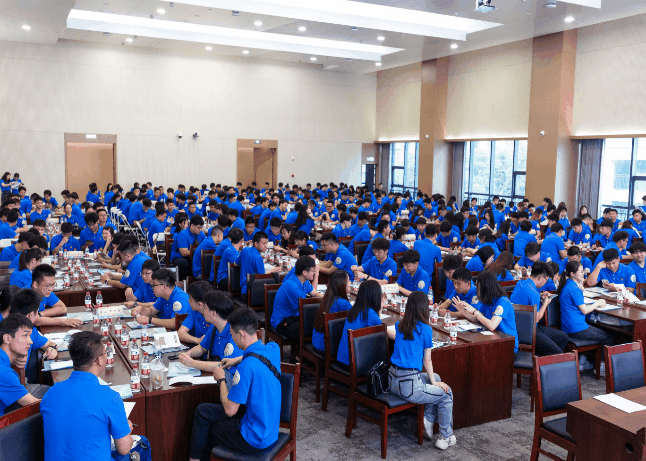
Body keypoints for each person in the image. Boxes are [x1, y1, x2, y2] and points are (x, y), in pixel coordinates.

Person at [40, 331, 151, 460]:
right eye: (105, 353)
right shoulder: (110, 397)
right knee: (143, 443)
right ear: (99, 360)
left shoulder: (51, 393)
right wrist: (126, 429)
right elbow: (124, 449)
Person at [189, 307, 282, 461]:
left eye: (232, 334)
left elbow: (230, 410)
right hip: (270, 428)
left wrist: (221, 379)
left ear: (241, 334)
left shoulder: (246, 368)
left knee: (207, 428)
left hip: (254, 438)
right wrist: (236, 359)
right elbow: (256, 354)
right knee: (203, 410)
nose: (232, 337)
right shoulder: (273, 348)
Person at [387, 292, 456, 450]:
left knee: (436, 377)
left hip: (392, 381)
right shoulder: (425, 329)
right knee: (446, 393)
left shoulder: (399, 325)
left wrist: (434, 380)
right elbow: (427, 361)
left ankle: (428, 420)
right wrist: (435, 383)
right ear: (424, 309)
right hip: (409, 386)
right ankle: (445, 437)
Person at [557, 260, 614, 370]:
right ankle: (602, 367)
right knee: (608, 337)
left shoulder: (569, 285)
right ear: (572, 274)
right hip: (576, 328)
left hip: (568, 326)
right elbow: (584, 310)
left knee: (598, 330)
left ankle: (583, 361)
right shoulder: (574, 289)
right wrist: (598, 303)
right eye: (581, 271)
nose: (583, 273)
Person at [178, 290, 243, 380]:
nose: (203, 311)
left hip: (229, 379)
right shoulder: (214, 326)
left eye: (205, 308)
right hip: (216, 375)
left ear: (213, 313)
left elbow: (224, 365)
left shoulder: (234, 333)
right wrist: (188, 354)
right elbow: (202, 348)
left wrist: (192, 363)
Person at [509, 261, 569, 356]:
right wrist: (545, 303)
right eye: (546, 280)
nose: (545, 282)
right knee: (558, 352)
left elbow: (526, 295)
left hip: (519, 325)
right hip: (528, 330)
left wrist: (540, 295)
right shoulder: (533, 293)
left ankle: (543, 356)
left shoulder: (521, 283)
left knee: (563, 337)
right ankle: (541, 361)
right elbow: (536, 319)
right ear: (540, 277)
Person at [452, 271, 519, 353]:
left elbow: (492, 325)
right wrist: (464, 312)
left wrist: (475, 311)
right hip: (492, 340)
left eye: (478, 286)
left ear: (486, 288)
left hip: (507, 344)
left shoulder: (503, 302)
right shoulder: (487, 300)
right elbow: (477, 319)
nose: (476, 289)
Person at [0, 313, 51, 414]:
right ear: (7, 338)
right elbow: (33, 404)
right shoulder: (3, 371)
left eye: (30, 336)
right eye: (25, 336)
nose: (30, 341)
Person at [271, 256, 323, 345]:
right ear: (304, 272)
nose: (314, 273)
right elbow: (304, 310)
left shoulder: (304, 281)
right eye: (313, 270)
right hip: (282, 322)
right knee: (313, 327)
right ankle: (302, 352)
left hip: (294, 317)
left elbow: (314, 293)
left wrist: (327, 299)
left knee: (315, 324)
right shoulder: (293, 287)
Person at [336, 280, 383, 366]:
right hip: (353, 364)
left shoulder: (355, 308)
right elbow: (383, 330)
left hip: (342, 358)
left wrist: (380, 306)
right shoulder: (370, 313)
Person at [311, 271, 352, 353]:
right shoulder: (343, 303)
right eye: (348, 281)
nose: (350, 283)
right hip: (327, 346)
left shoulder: (327, 298)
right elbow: (357, 318)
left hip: (317, 341)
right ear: (342, 284)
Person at [235, 231, 280, 295]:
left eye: (266, 243)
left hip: (243, 289)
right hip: (251, 292)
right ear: (256, 244)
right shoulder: (258, 258)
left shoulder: (245, 250)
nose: (266, 246)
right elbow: (262, 276)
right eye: (264, 244)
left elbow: (235, 264)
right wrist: (273, 270)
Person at [171, 215, 206, 280]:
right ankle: (184, 283)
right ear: (192, 226)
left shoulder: (201, 234)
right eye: (198, 228)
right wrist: (199, 253)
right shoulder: (182, 234)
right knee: (183, 263)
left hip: (195, 256)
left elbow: (205, 248)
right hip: (180, 257)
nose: (200, 230)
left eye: (201, 228)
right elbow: (184, 252)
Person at [179, 281, 214, 345]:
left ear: (200, 304)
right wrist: (197, 340)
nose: (188, 301)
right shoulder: (194, 311)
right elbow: (180, 333)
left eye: (190, 299)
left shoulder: (215, 316)